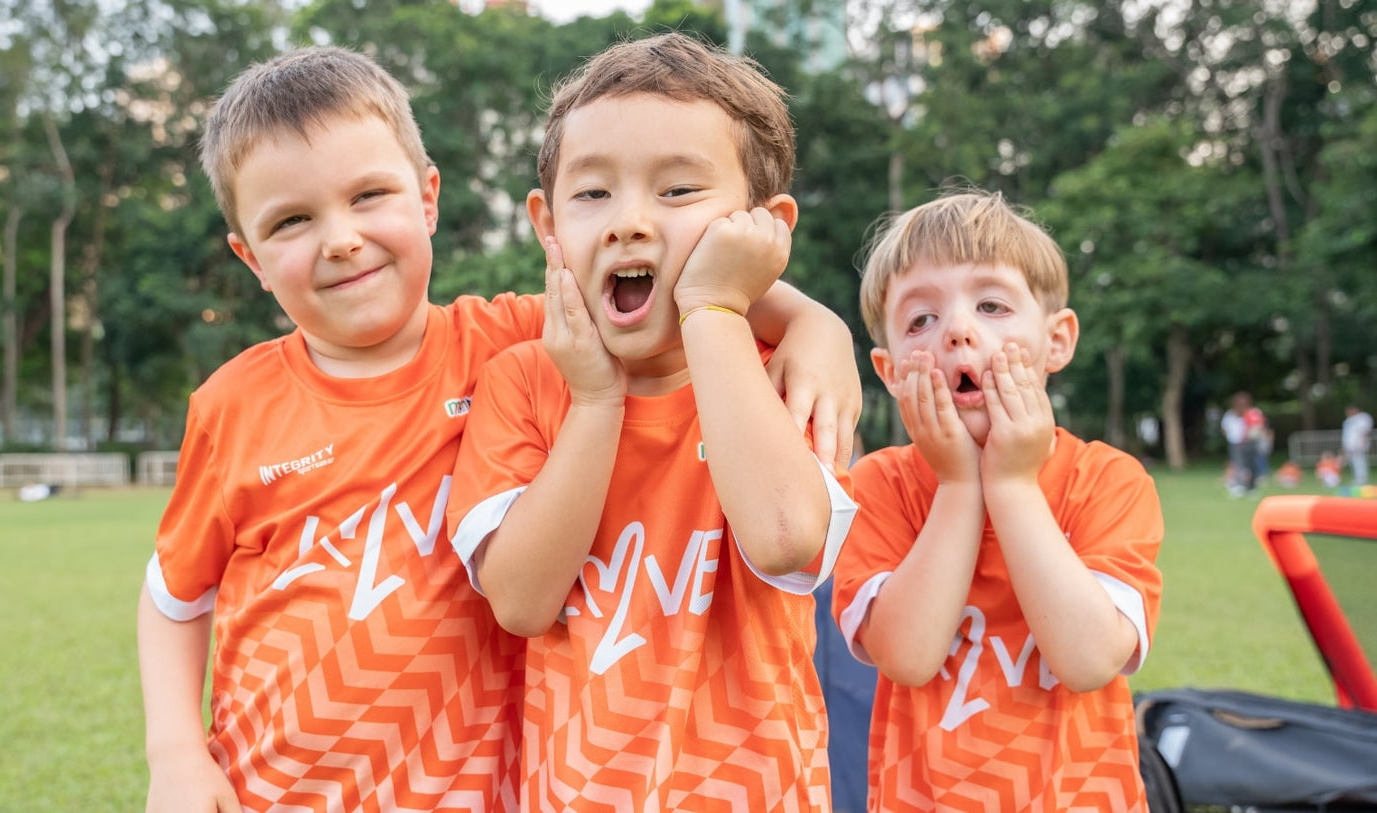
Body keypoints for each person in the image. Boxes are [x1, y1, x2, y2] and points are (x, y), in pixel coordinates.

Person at [136, 45, 863, 812]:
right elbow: (175, 592)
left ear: (427, 199)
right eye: (292, 220)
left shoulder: (516, 338)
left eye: (368, 195)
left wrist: (815, 323)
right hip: (269, 787)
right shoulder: (237, 402)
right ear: (249, 257)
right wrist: (175, 753)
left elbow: (667, 291)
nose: (341, 238)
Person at [446, 33, 859, 811]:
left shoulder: (780, 373)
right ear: (546, 223)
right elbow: (523, 601)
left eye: (676, 192)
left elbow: (787, 539)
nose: (628, 222)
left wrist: (717, 309)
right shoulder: (520, 382)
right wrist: (597, 402)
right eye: (592, 193)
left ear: (762, 229)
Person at [831, 189, 1164, 811]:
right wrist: (959, 485)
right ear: (889, 368)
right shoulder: (877, 486)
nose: (958, 330)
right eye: (920, 320)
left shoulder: (1108, 480)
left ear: (1057, 341)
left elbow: (1091, 659)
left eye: (991, 305)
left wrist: (1011, 484)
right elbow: (907, 656)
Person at [1221, 391, 1260, 495]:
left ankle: (1251, 487)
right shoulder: (1230, 414)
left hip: (1250, 443)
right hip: (1235, 443)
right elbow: (1224, 428)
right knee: (1238, 464)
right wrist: (1231, 437)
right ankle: (1237, 486)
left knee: (1252, 465)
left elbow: (1258, 426)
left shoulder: (1253, 412)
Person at [1343, 403, 1372, 486]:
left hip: (1359, 445)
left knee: (1360, 461)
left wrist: (1362, 443)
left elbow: (1365, 431)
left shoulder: (1363, 417)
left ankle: (1362, 479)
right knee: (1353, 462)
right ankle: (1357, 478)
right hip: (1350, 446)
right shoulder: (1348, 420)